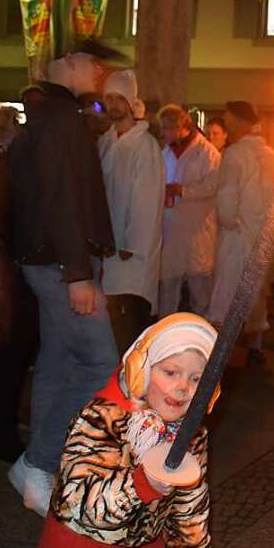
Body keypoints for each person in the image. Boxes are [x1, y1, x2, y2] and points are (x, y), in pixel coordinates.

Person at [34, 313, 217, 548]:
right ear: (143, 368)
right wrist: (140, 485)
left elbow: (191, 510)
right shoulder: (101, 419)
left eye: (197, 378)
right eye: (170, 372)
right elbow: (80, 503)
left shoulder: (190, 433)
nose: (183, 387)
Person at [7, 43, 122, 516]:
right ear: (69, 63)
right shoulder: (57, 117)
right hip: (60, 264)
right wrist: (77, 272)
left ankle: (34, 468)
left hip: (54, 261)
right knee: (99, 364)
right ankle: (42, 461)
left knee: (57, 361)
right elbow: (61, 201)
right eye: (93, 63)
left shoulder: (54, 113)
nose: (100, 72)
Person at [98, 70, 166, 354]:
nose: (114, 104)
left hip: (131, 256)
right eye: (109, 98)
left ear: (130, 101)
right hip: (107, 251)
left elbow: (146, 200)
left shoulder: (144, 145)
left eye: (119, 98)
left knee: (129, 332)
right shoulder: (106, 142)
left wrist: (131, 244)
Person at [209, 101, 274, 365]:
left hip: (237, 235)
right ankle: (255, 347)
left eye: (228, 121)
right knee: (256, 292)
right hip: (262, 234)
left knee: (226, 293)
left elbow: (227, 197)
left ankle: (220, 355)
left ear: (240, 122)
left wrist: (228, 223)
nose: (226, 126)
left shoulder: (235, 154)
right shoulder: (270, 154)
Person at [0, 105, 38, 463]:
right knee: (9, 355)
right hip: (4, 273)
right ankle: (3, 435)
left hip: (7, 268)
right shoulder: (4, 166)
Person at [159, 104, 221, 318]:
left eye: (166, 128)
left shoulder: (207, 153)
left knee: (200, 292)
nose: (163, 133)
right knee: (167, 288)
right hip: (170, 229)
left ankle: (204, 340)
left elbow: (213, 185)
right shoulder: (165, 152)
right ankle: (164, 337)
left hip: (198, 230)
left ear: (180, 127)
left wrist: (182, 190)